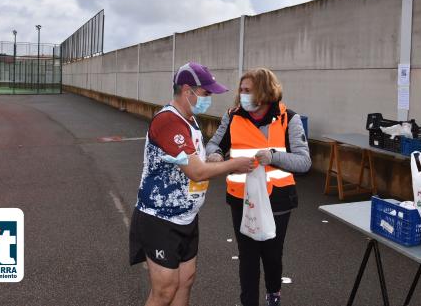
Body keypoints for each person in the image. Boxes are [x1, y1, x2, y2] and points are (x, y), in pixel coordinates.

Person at [130, 62, 256, 306]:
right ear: (188, 90)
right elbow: (197, 172)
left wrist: (213, 158)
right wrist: (233, 164)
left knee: (185, 281)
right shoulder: (169, 121)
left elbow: (193, 160)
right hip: (160, 219)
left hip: (186, 218)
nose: (209, 98)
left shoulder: (190, 120)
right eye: (206, 93)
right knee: (164, 291)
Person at [206, 68, 311, 306]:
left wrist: (273, 156)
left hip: (278, 201)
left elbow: (304, 162)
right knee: (248, 257)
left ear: (264, 92)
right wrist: (215, 156)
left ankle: (274, 294)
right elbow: (213, 145)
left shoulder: (288, 119)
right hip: (241, 199)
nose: (242, 95)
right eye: (241, 90)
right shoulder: (232, 116)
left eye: (248, 90)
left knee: (272, 255)